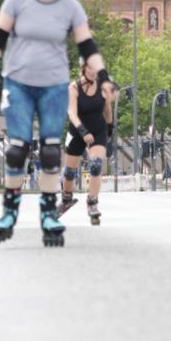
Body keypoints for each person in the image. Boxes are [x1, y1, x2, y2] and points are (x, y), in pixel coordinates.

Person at [0, 0, 118, 246]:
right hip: (18, 82)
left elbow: (87, 46)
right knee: (17, 147)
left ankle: (49, 213)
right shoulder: (17, 0)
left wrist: (104, 78)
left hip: (53, 83)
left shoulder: (71, 7)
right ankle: (9, 210)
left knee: (52, 150)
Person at [61, 59, 113, 225]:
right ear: (83, 69)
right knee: (69, 172)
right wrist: (83, 131)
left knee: (96, 165)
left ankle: (92, 203)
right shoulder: (74, 87)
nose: (93, 71)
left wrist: (110, 128)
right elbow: (72, 113)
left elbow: (107, 109)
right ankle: (67, 199)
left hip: (98, 130)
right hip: (78, 131)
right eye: (90, 68)